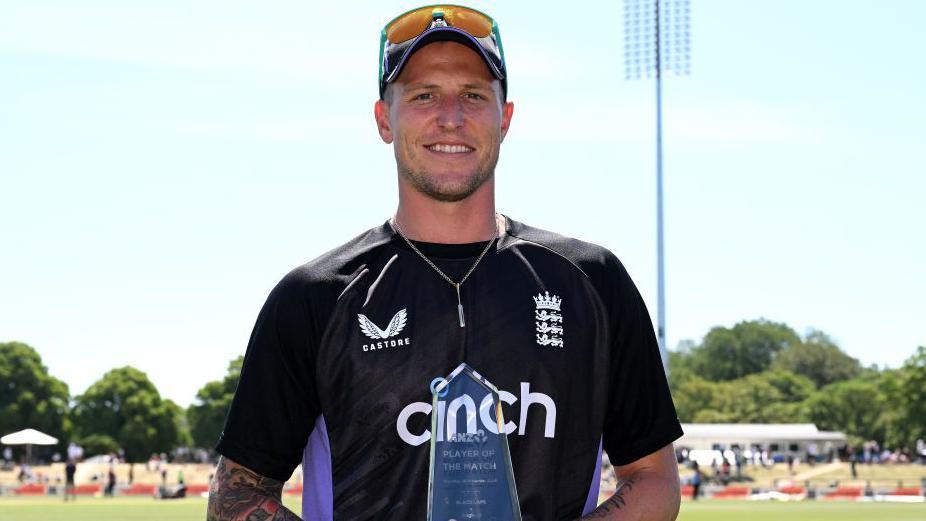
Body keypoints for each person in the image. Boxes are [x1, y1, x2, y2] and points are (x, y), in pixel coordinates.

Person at [208, 4, 683, 521]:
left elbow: (654, 478)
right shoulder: (314, 295)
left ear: (505, 119)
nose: (451, 117)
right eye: (423, 95)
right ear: (384, 119)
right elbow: (235, 496)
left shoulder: (592, 280)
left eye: (474, 96)